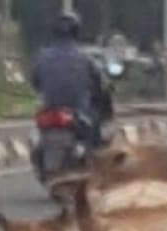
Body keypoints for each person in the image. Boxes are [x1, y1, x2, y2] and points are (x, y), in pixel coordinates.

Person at [30, 10, 113, 148]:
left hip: (49, 108)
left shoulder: (42, 56)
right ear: (76, 32)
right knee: (96, 127)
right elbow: (99, 82)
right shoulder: (85, 57)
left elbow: (35, 81)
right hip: (78, 111)